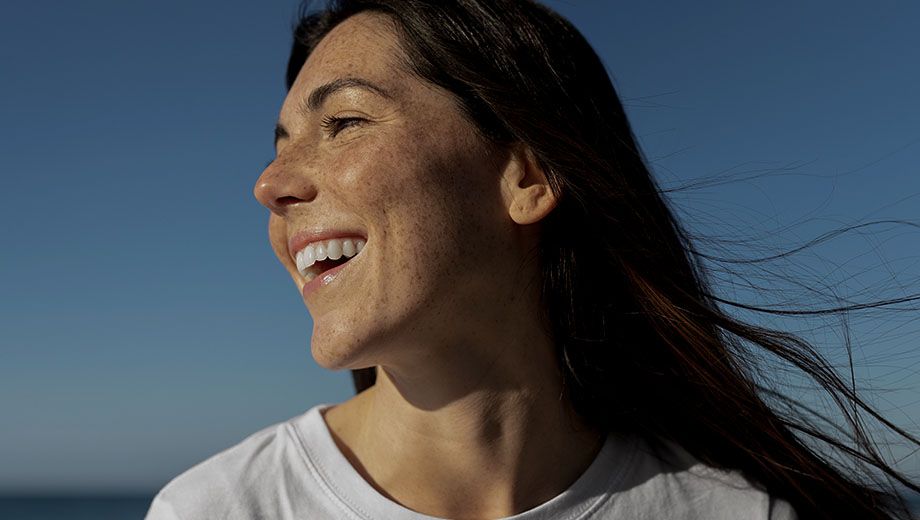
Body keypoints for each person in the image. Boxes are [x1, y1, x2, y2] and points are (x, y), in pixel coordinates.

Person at [146, 1, 919, 518]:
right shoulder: (218, 509)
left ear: (527, 175)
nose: (269, 184)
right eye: (277, 146)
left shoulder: (740, 513)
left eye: (344, 122)